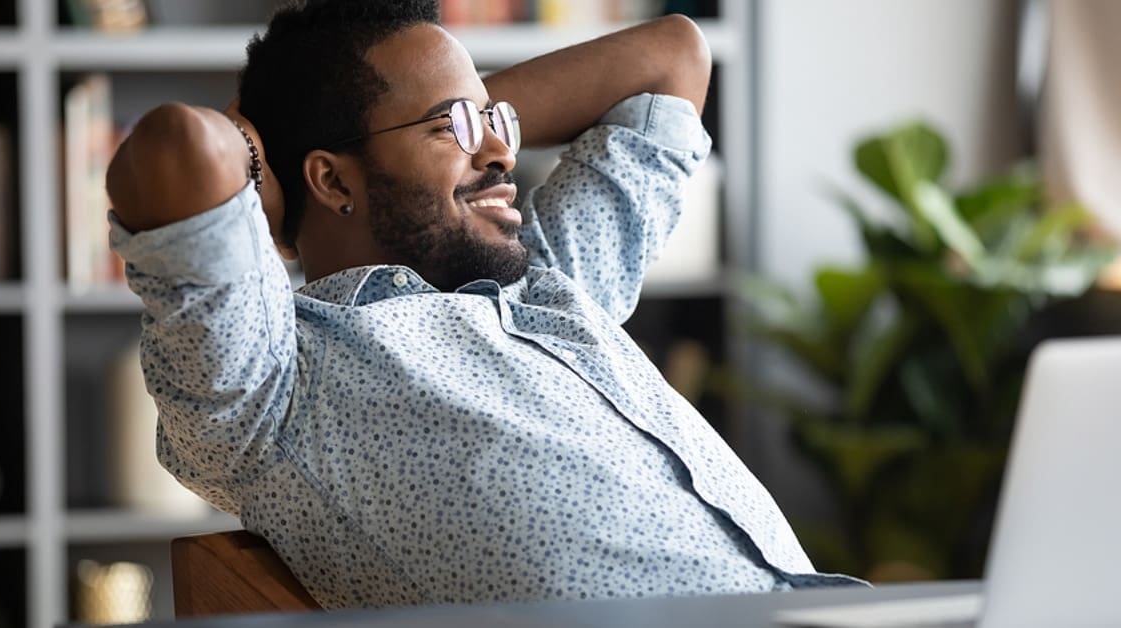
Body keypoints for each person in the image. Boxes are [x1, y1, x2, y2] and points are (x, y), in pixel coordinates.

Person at [105, 0, 860, 609]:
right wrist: (277, 136)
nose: (504, 152)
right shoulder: (278, 387)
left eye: (496, 120)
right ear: (332, 183)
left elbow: (672, 56)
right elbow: (177, 149)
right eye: (456, 128)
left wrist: (457, 120)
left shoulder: (552, 285)